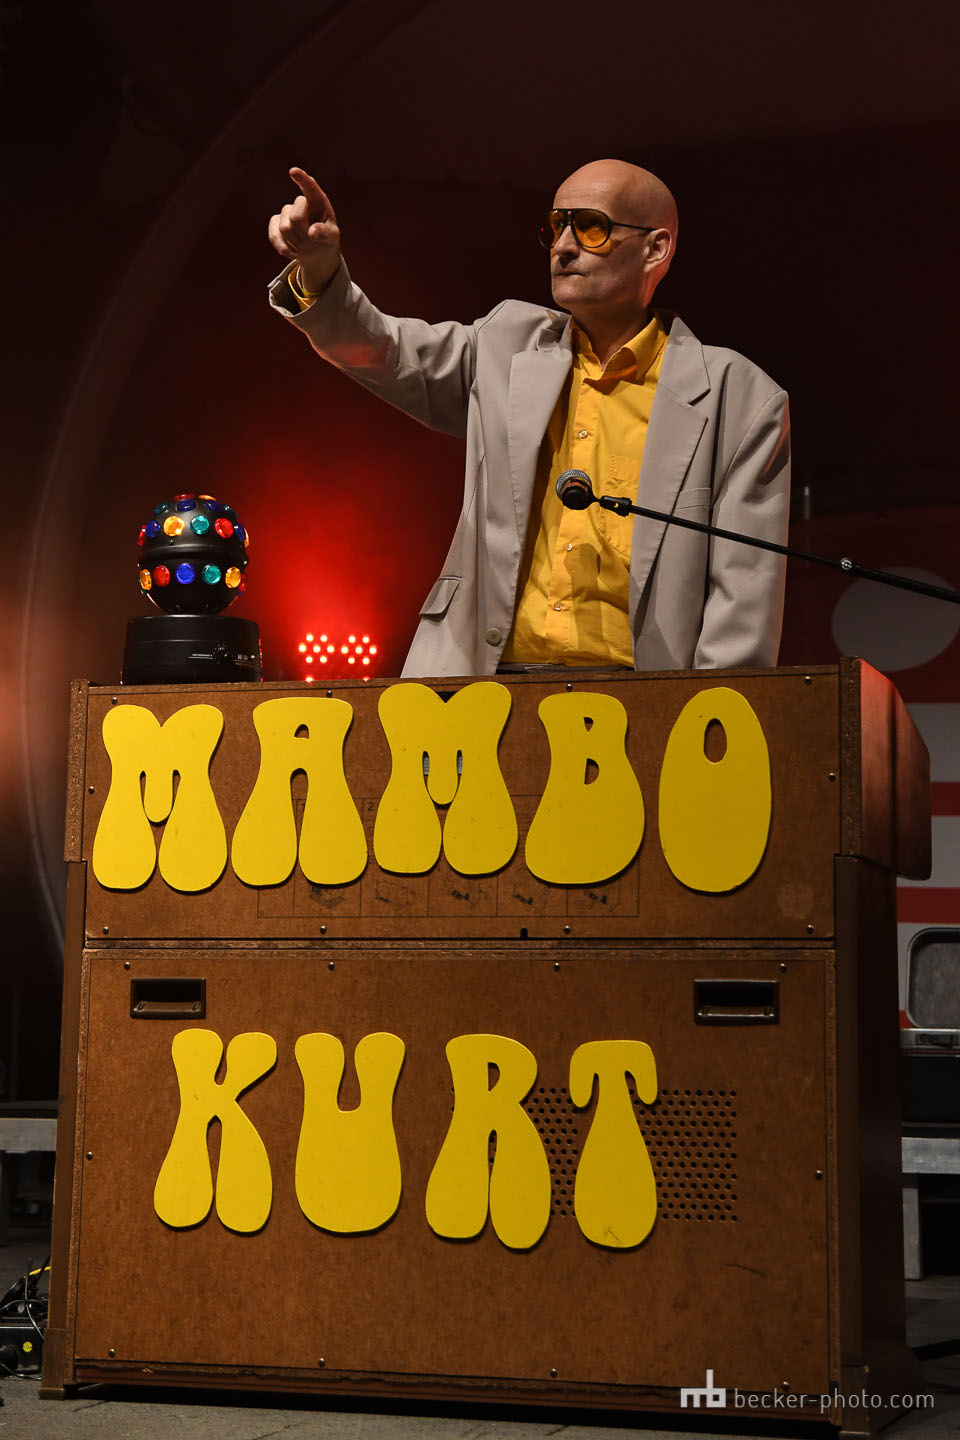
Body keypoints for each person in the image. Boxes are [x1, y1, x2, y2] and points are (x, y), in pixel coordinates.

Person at [267, 160, 790, 678]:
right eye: (555, 227)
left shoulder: (738, 398)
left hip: (645, 698)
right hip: (485, 686)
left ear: (656, 248)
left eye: (591, 227)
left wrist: (707, 719)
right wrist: (321, 271)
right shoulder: (505, 345)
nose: (563, 246)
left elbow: (743, 602)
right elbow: (382, 349)